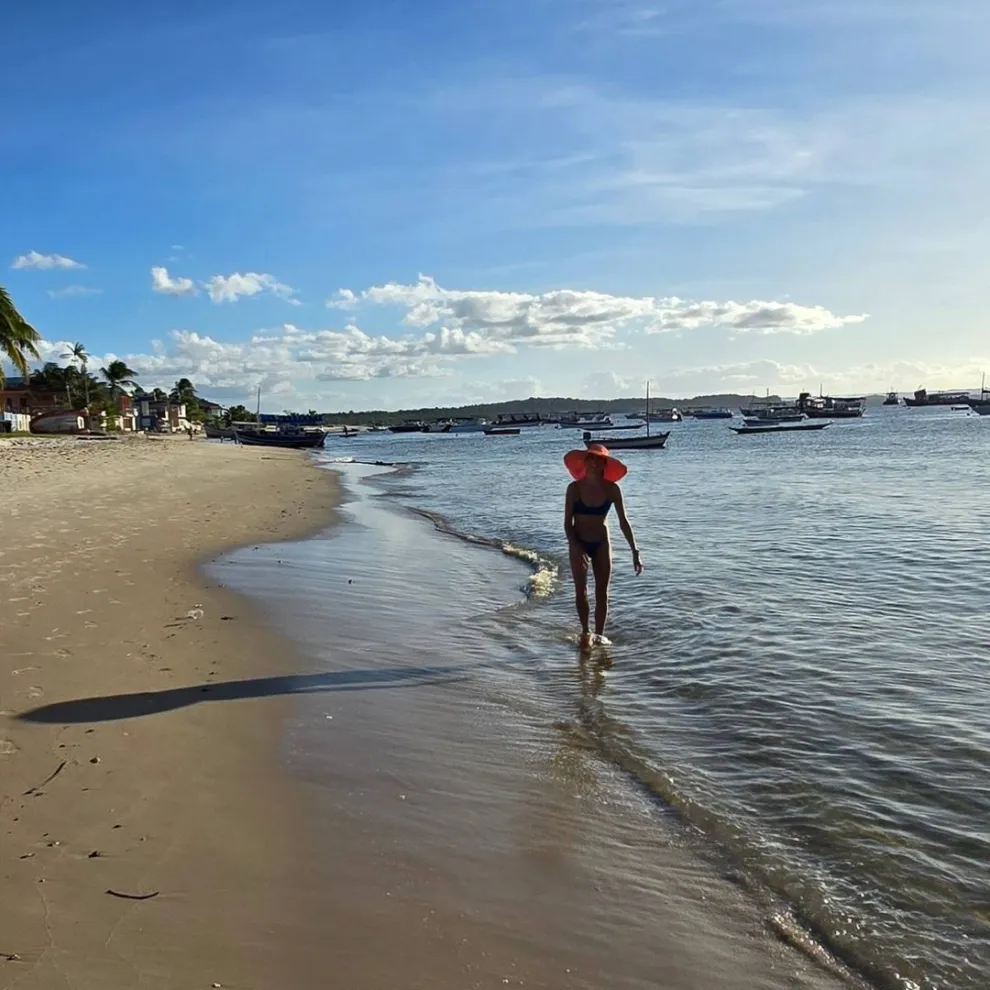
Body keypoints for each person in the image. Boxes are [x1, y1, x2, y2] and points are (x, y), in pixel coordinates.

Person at [563, 444, 643, 645]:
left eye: (598, 459)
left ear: (604, 464)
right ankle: (585, 632)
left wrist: (635, 551)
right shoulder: (574, 489)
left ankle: (599, 635)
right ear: (585, 461)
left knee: (602, 592)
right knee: (581, 590)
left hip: (601, 542)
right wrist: (575, 546)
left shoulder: (612, 489)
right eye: (590, 458)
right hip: (578, 541)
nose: (593, 462)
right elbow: (567, 523)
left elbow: (623, 522)